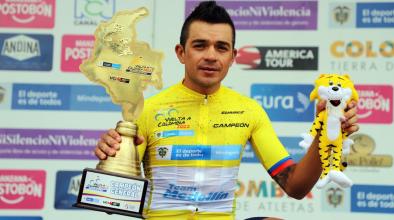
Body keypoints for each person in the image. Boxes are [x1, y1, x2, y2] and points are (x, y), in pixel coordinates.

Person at [94, 1, 359, 219]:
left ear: (232, 57)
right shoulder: (147, 109)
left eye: (221, 47)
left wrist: (327, 130)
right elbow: (115, 199)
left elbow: (296, 186)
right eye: (200, 45)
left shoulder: (249, 111)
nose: (211, 55)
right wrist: (110, 159)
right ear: (180, 52)